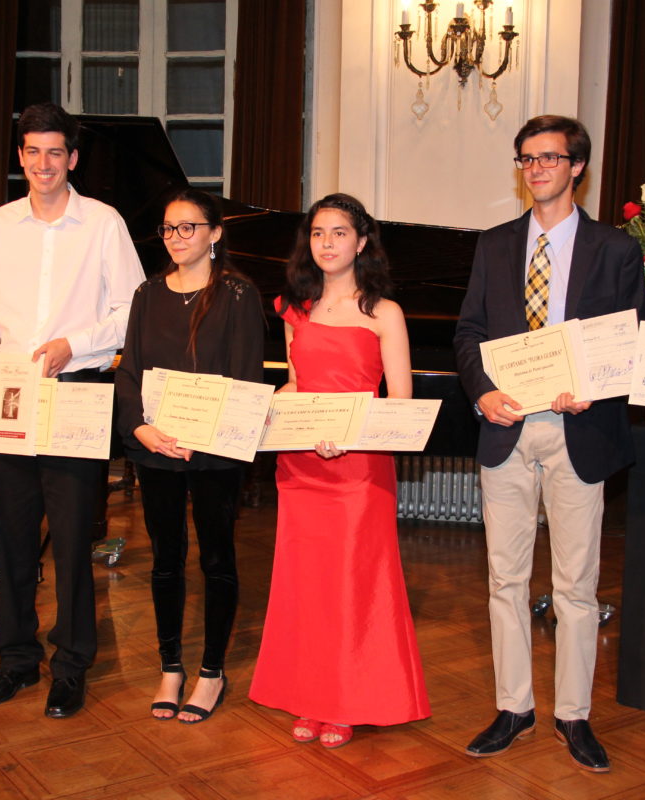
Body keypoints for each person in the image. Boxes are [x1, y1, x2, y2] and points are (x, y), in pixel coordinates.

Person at [453, 115, 645, 771]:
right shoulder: (495, 244)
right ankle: (514, 706)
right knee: (504, 579)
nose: (536, 169)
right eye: (526, 159)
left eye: (549, 158)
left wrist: (598, 384)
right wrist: (481, 392)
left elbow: (629, 339)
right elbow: (468, 333)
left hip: (578, 429)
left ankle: (574, 715)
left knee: (576, 585)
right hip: (506, 426)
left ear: (577, 167)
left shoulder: (616, 250)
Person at [0, 102, 145, 718]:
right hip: (9, 396)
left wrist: (77, 343)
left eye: (55, 152)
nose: (44, 163)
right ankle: (15, 661)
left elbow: (131, 312)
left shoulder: (104, 223)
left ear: (73, 159)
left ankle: (71, 665)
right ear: (20, 157)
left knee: (69, 544)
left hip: (77, 391)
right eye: (33, 152)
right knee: (11, 541)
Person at [249, 193, 430, 749]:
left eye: (338, 233)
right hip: (302, 464)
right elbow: (299, 382)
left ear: (362, 241)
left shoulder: (385, 313)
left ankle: (346, 701)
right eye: (318, 233)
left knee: (352, 585)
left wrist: (351, 432)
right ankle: (310, 696)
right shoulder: (292, 308)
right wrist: (267, 408)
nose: (326, 243)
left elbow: (399, 399)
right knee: (305, 586)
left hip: (359, 468)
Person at [115, 188, 265, 723]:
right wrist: (141, 429)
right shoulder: (148, 293)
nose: (177, 238)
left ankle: (211, 671)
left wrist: (208, 431)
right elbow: (128, 370)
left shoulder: (239, 295)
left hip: (215, 452)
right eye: (169, 229)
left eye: (188, 227)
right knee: (164, 559)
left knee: (217, 558)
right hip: (157, 449)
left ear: (214, 233)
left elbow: (247, 378)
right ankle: (170, 666)